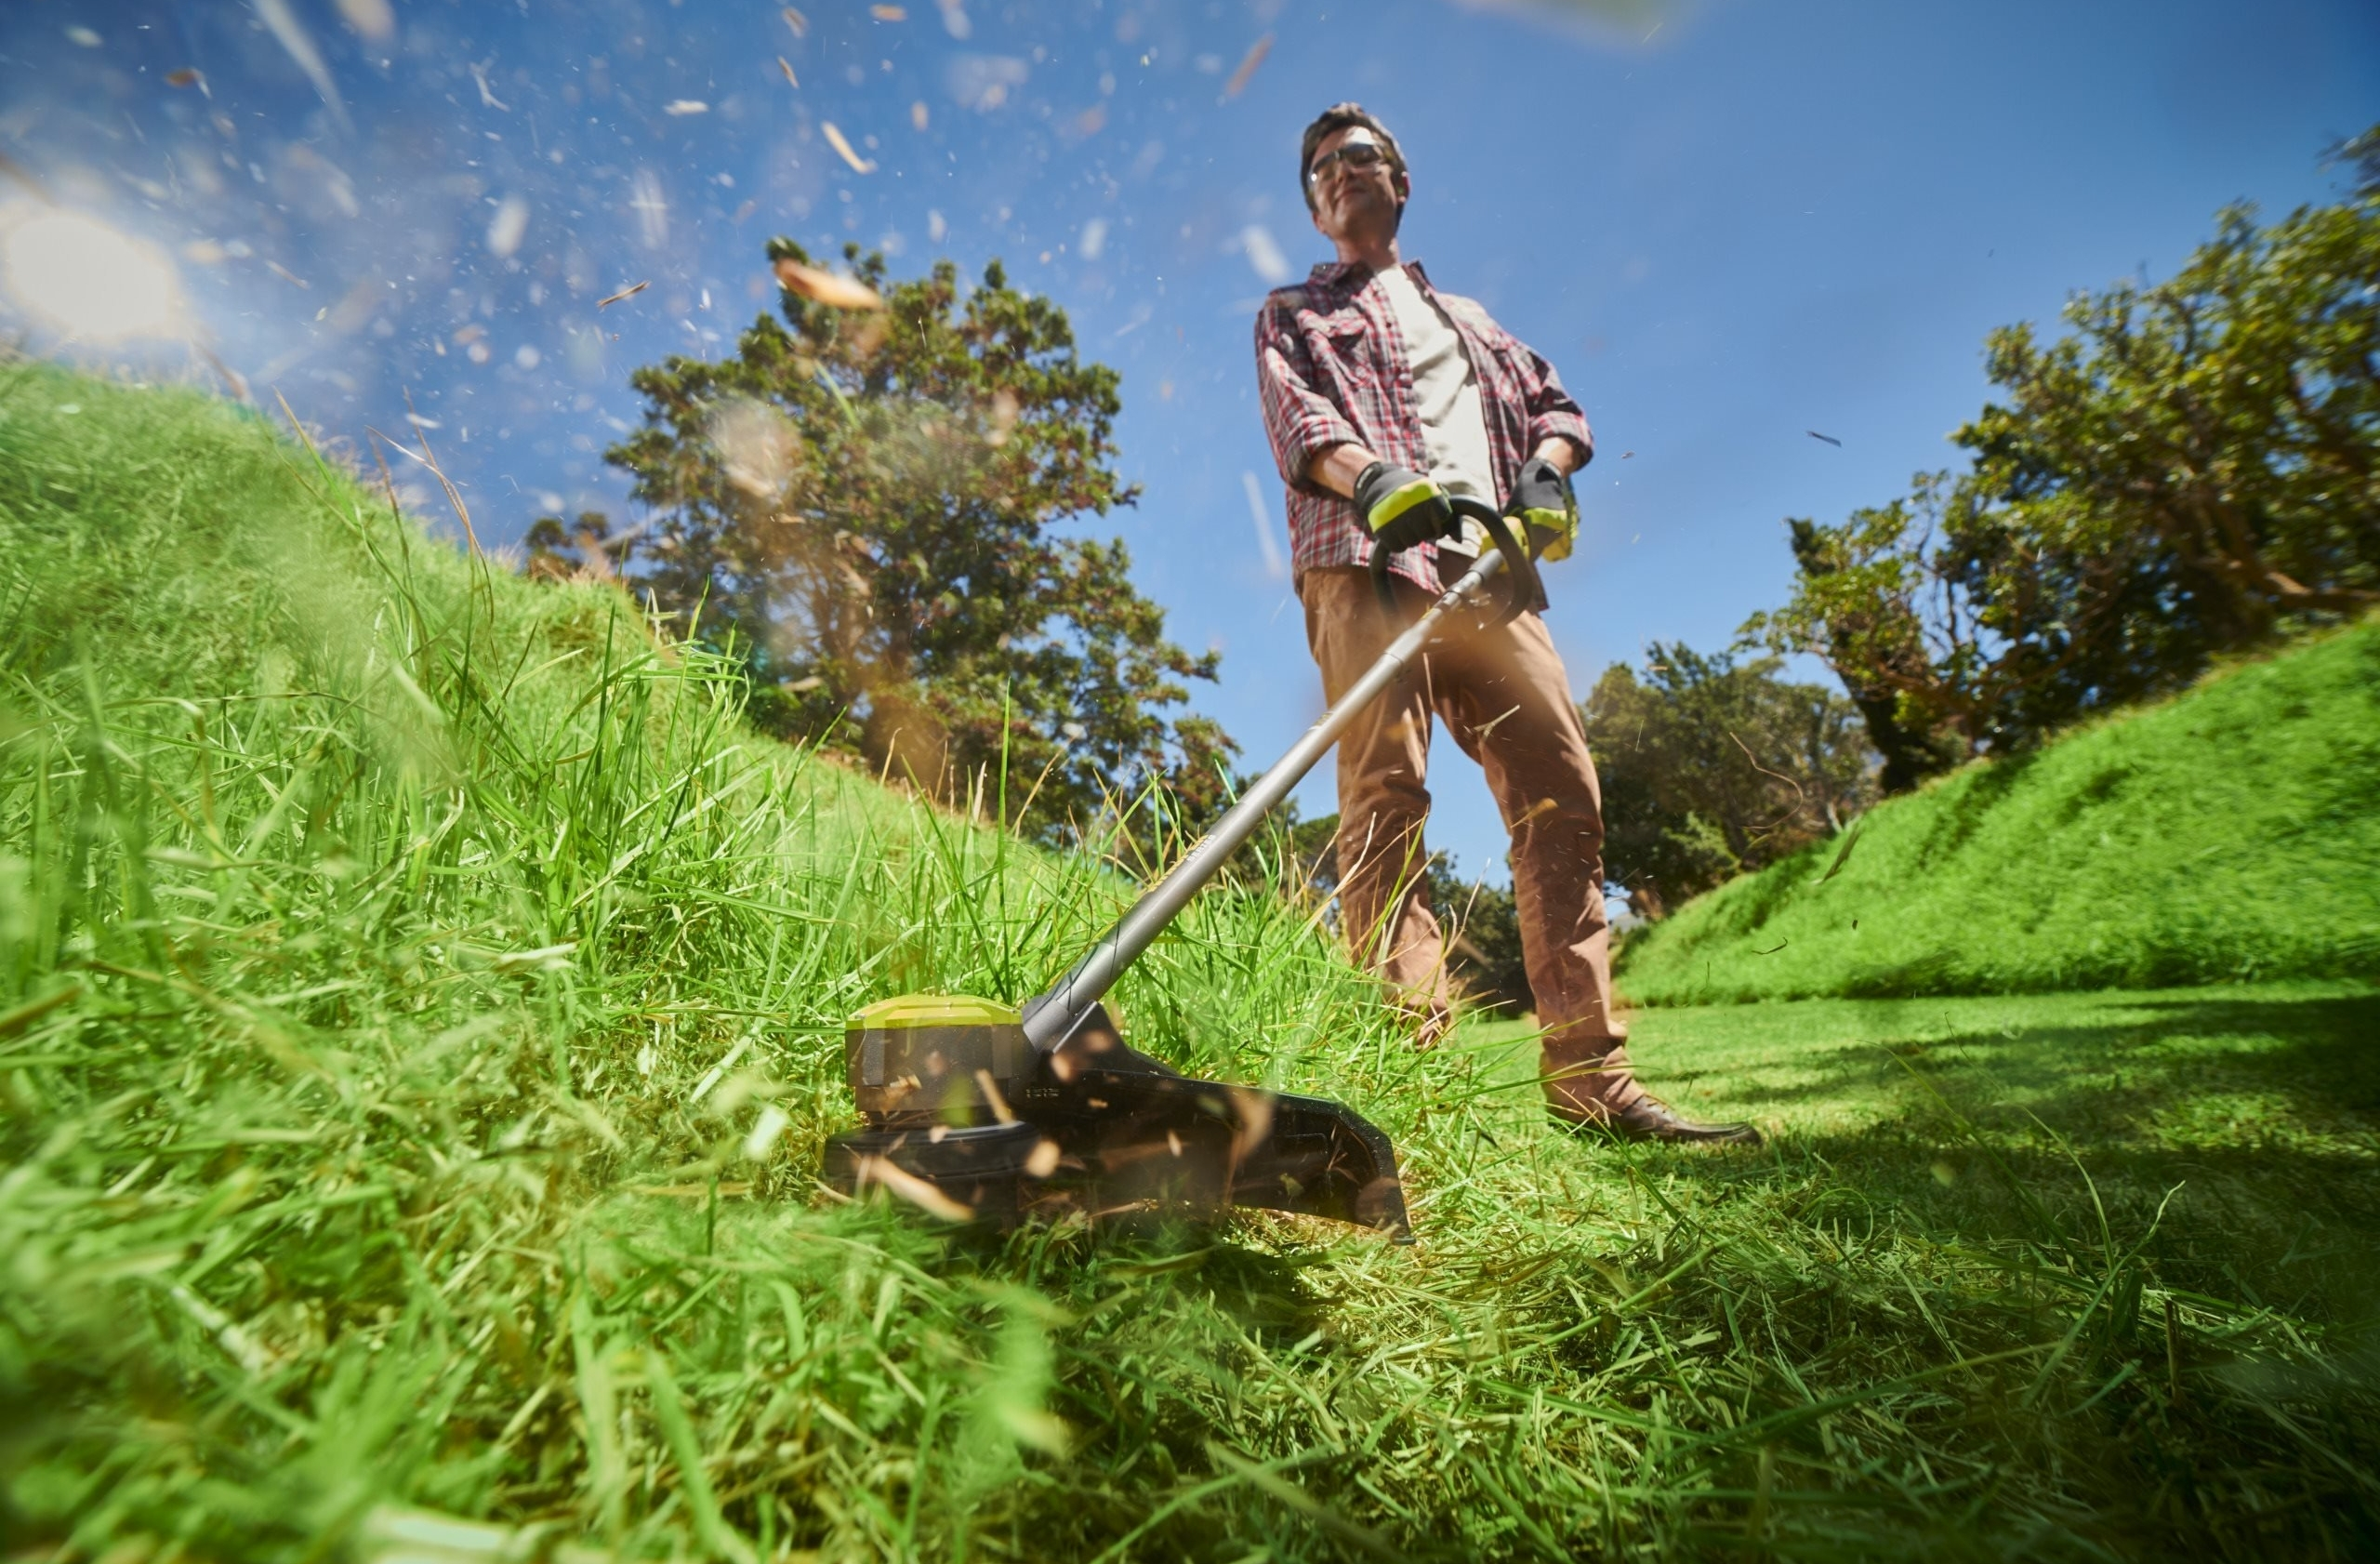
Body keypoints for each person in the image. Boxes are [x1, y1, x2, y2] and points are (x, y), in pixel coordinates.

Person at [1253, 102, 1759, 1146]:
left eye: (1362, 154)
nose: (1342, 170)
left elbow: (1559, 410)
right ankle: (1409, 1087)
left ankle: (1592, 1081)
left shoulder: (1473, 321)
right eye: (1321, 166)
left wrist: (1543, 473)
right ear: (1313, 205)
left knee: (1560, 793)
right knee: (1383, 793)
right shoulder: (1294, 310)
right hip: (1363, 557)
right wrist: (1376, 478)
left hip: (1488, 569)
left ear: (1399, 180)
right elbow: (1300, 423)